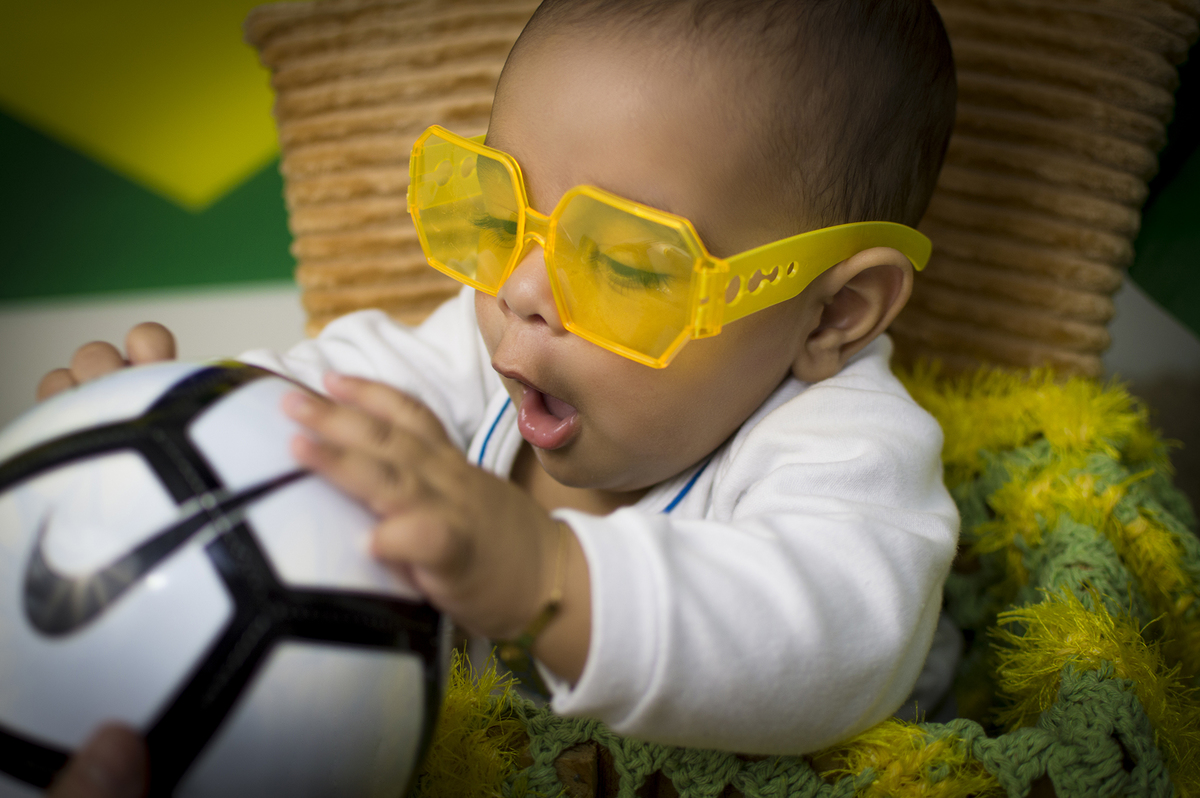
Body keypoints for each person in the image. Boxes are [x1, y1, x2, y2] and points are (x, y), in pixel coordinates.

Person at [39, 0, 959, 790]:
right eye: (502, 212)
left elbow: (830, 642)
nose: (521, 289)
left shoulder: (844, 444)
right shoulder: (493, 347)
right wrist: (175, 426)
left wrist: (540, 575)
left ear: (833, 312)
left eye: (625, 262)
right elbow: (339, 402)